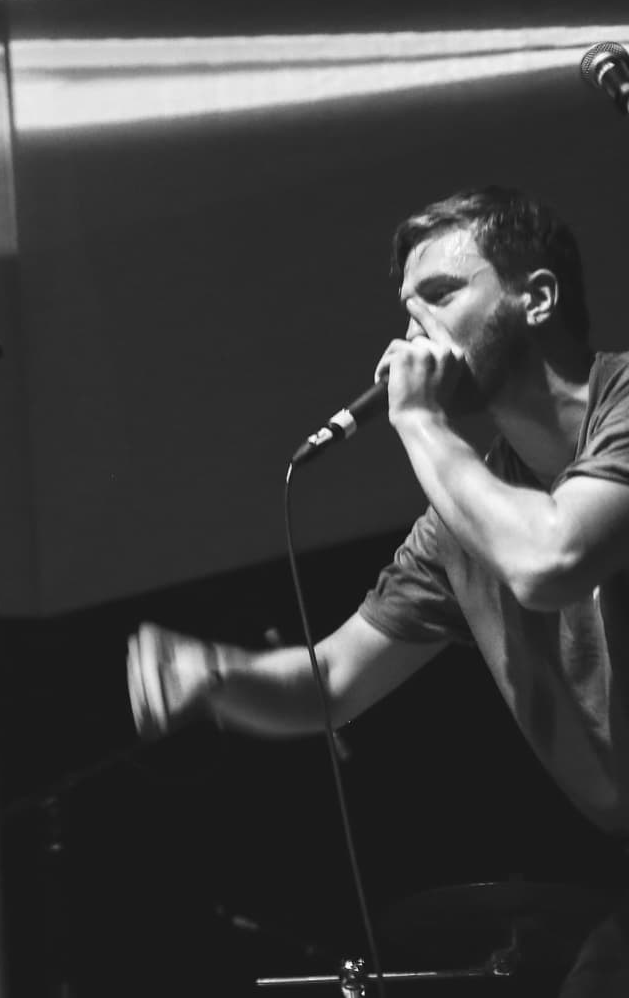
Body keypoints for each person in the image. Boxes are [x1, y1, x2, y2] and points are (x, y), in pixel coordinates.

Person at [125, 186, 629, 994]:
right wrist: (218, 674)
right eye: (405, 307)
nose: (410, 332)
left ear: (537, 298)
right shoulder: (464, 519)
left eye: (441, 294)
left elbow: (553, 559)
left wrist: (422, 425)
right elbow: (333, 681)